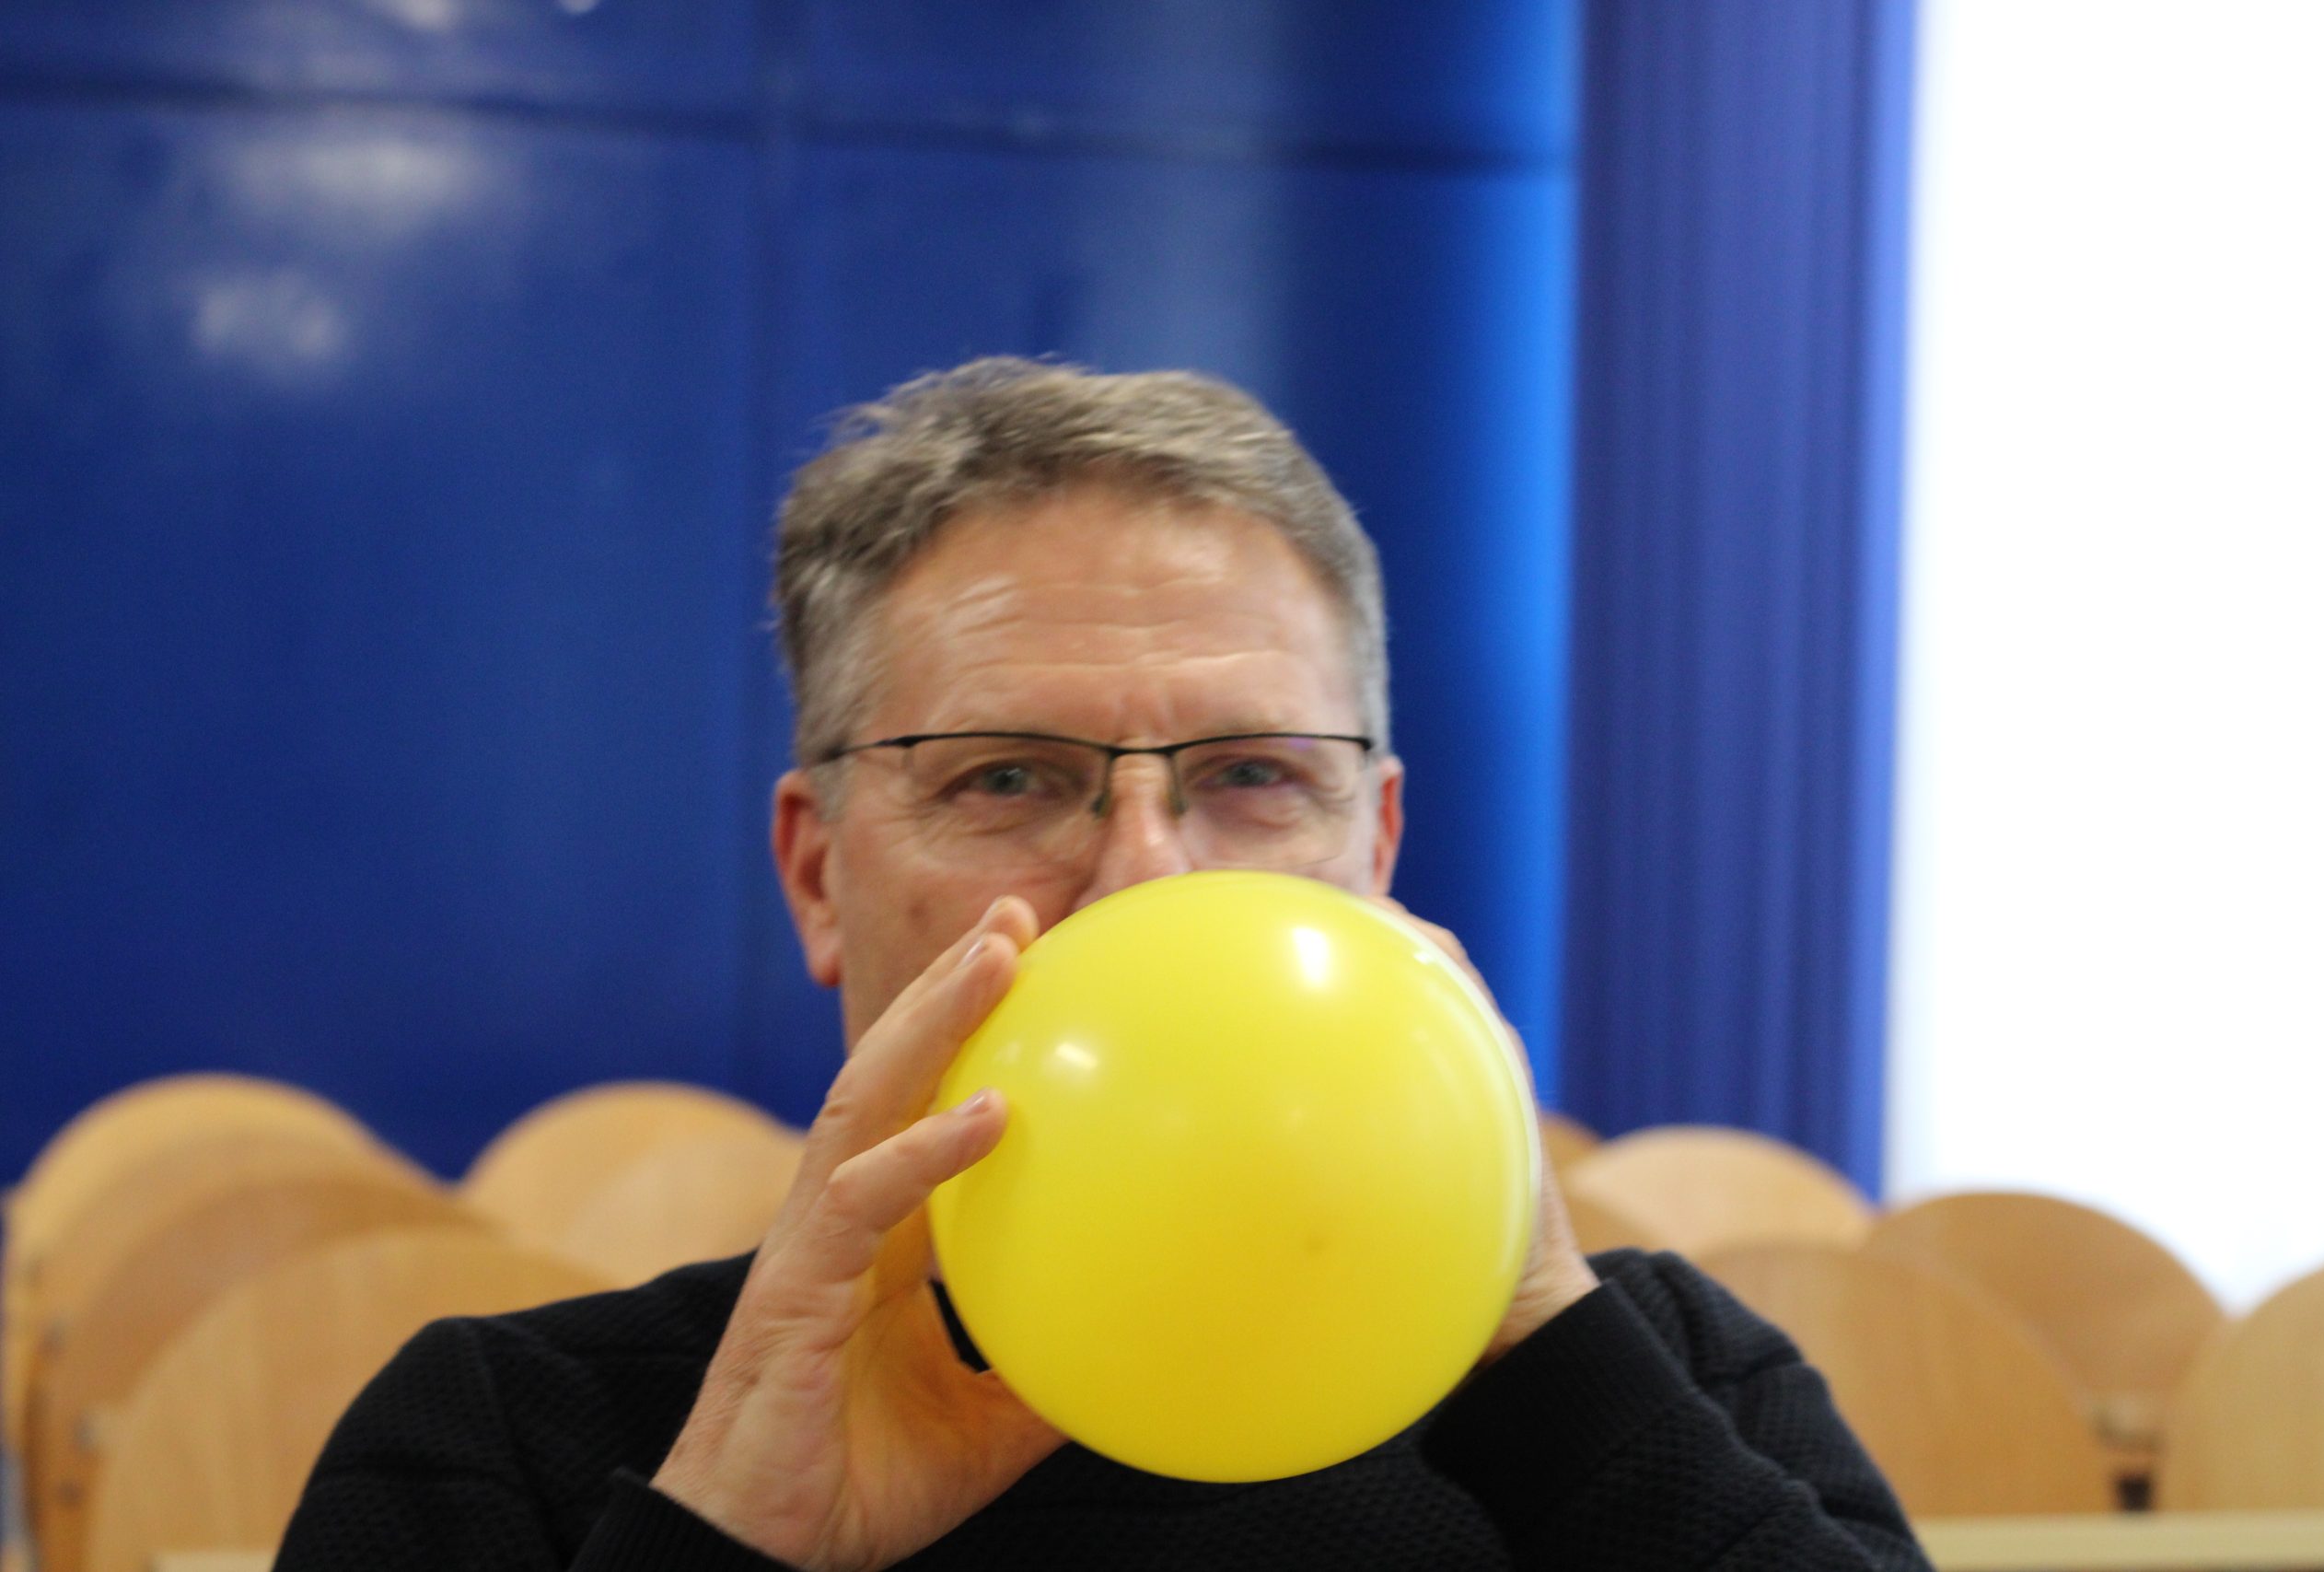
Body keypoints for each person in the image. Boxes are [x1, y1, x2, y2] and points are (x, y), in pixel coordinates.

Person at [276, 359, 1930, 1570]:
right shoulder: (506, 1446)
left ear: (1377, 852)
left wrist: (1559, 1381)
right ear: (818, 875)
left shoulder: (1667, 1387)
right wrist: (728, 1548)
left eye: (1254, 774)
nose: (1146, 874)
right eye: (1007, 777)